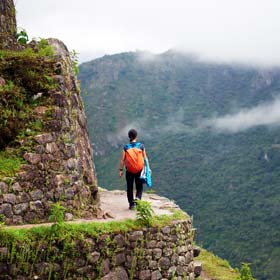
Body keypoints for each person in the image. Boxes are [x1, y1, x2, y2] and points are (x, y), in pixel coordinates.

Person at [119, 129, 151, 210]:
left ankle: (131, 204)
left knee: (129, 187)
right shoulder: (141, 146)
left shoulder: (126, 147)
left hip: (129, 170)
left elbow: (122, 160)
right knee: (139, 187)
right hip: (139, 170)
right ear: (136, 136)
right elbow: (145, 158)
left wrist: (120, 170)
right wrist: (148, 169)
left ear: (129, 136)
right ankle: (138, 199)